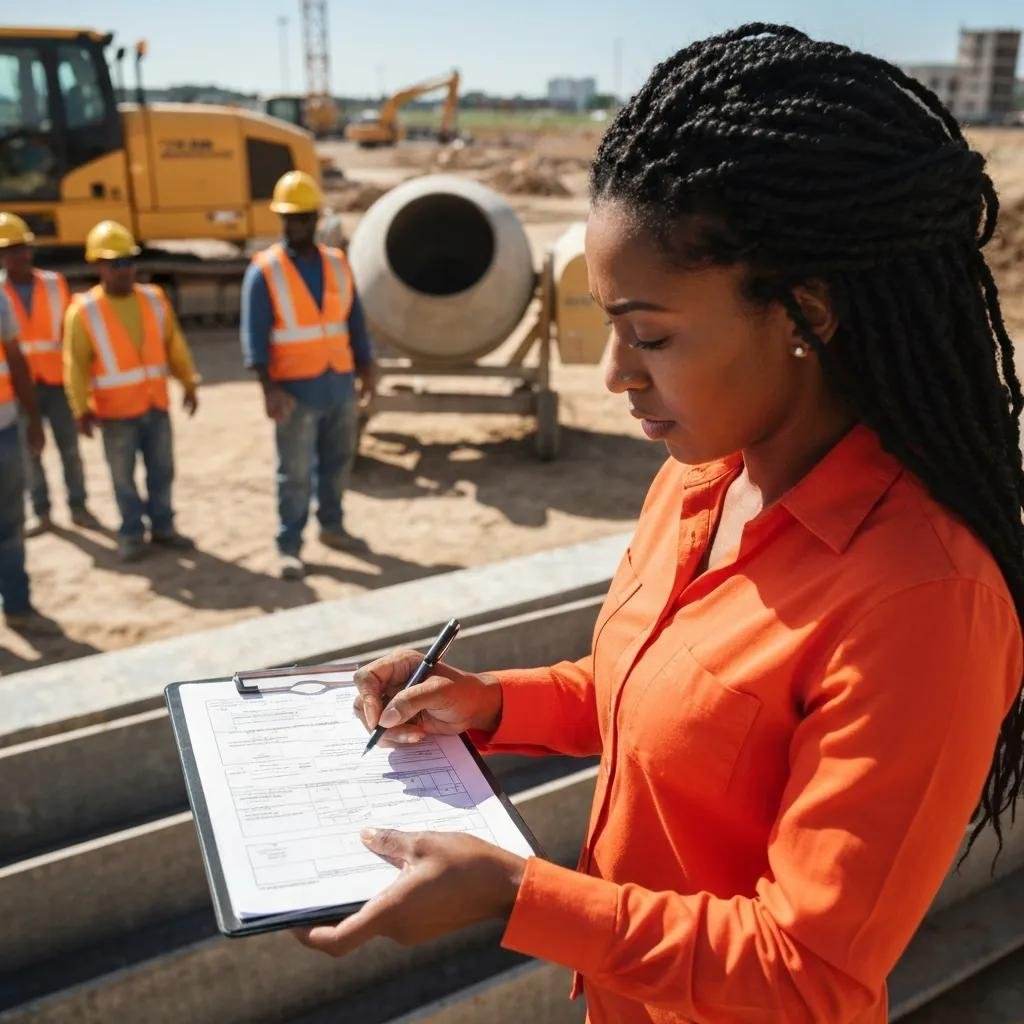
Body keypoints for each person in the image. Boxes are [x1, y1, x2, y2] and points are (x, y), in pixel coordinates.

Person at [293, 25, 1024, 1024]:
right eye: (608, 330)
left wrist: (518, 897)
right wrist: (489, 703)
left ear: (804, 313)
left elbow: (808, 975)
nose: (612, 376)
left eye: (649, 335)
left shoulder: (923, 599)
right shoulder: (700, 479)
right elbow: (653, 698)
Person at [240, 170, 377, 580]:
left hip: (338, 385)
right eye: (288, 218)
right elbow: (254, 338)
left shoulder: (337, 264)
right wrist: (269, 390)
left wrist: (366, 369)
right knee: (295, 472)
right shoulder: (265, 270)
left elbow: (354, 323)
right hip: (294, 392)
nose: (295, 225)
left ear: (316, 219)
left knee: (338, 463)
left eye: (302, 217)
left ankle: (332, 527)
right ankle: (289, 544)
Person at [64, 220, 200, 562]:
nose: (124, 271)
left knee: (162, 471)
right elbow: (75, 365)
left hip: (155, 405)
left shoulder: (154, 300)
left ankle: (164, 527)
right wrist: (81, 409)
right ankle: (131, 534)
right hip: (116, 413)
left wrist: (188, 382)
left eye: (129, 262)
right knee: (123, 479)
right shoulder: (84, 311)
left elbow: (175, 346)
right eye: (116, 263)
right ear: (98, 266)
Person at [0, 211, 95, 535]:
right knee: (31, 452)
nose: (18, 255)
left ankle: (78, 505)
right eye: (10, 250)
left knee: (69, 448)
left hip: (57, 382)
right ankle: (41, 511)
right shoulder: (0, 294)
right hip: (20, 388)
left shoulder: (56, 284)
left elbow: (72, 335)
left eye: (22, 248)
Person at [0, 286, 44, 625]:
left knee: (10, 523)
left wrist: (32, 420)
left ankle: (17, 605)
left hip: (5, 429)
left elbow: (15, 358)